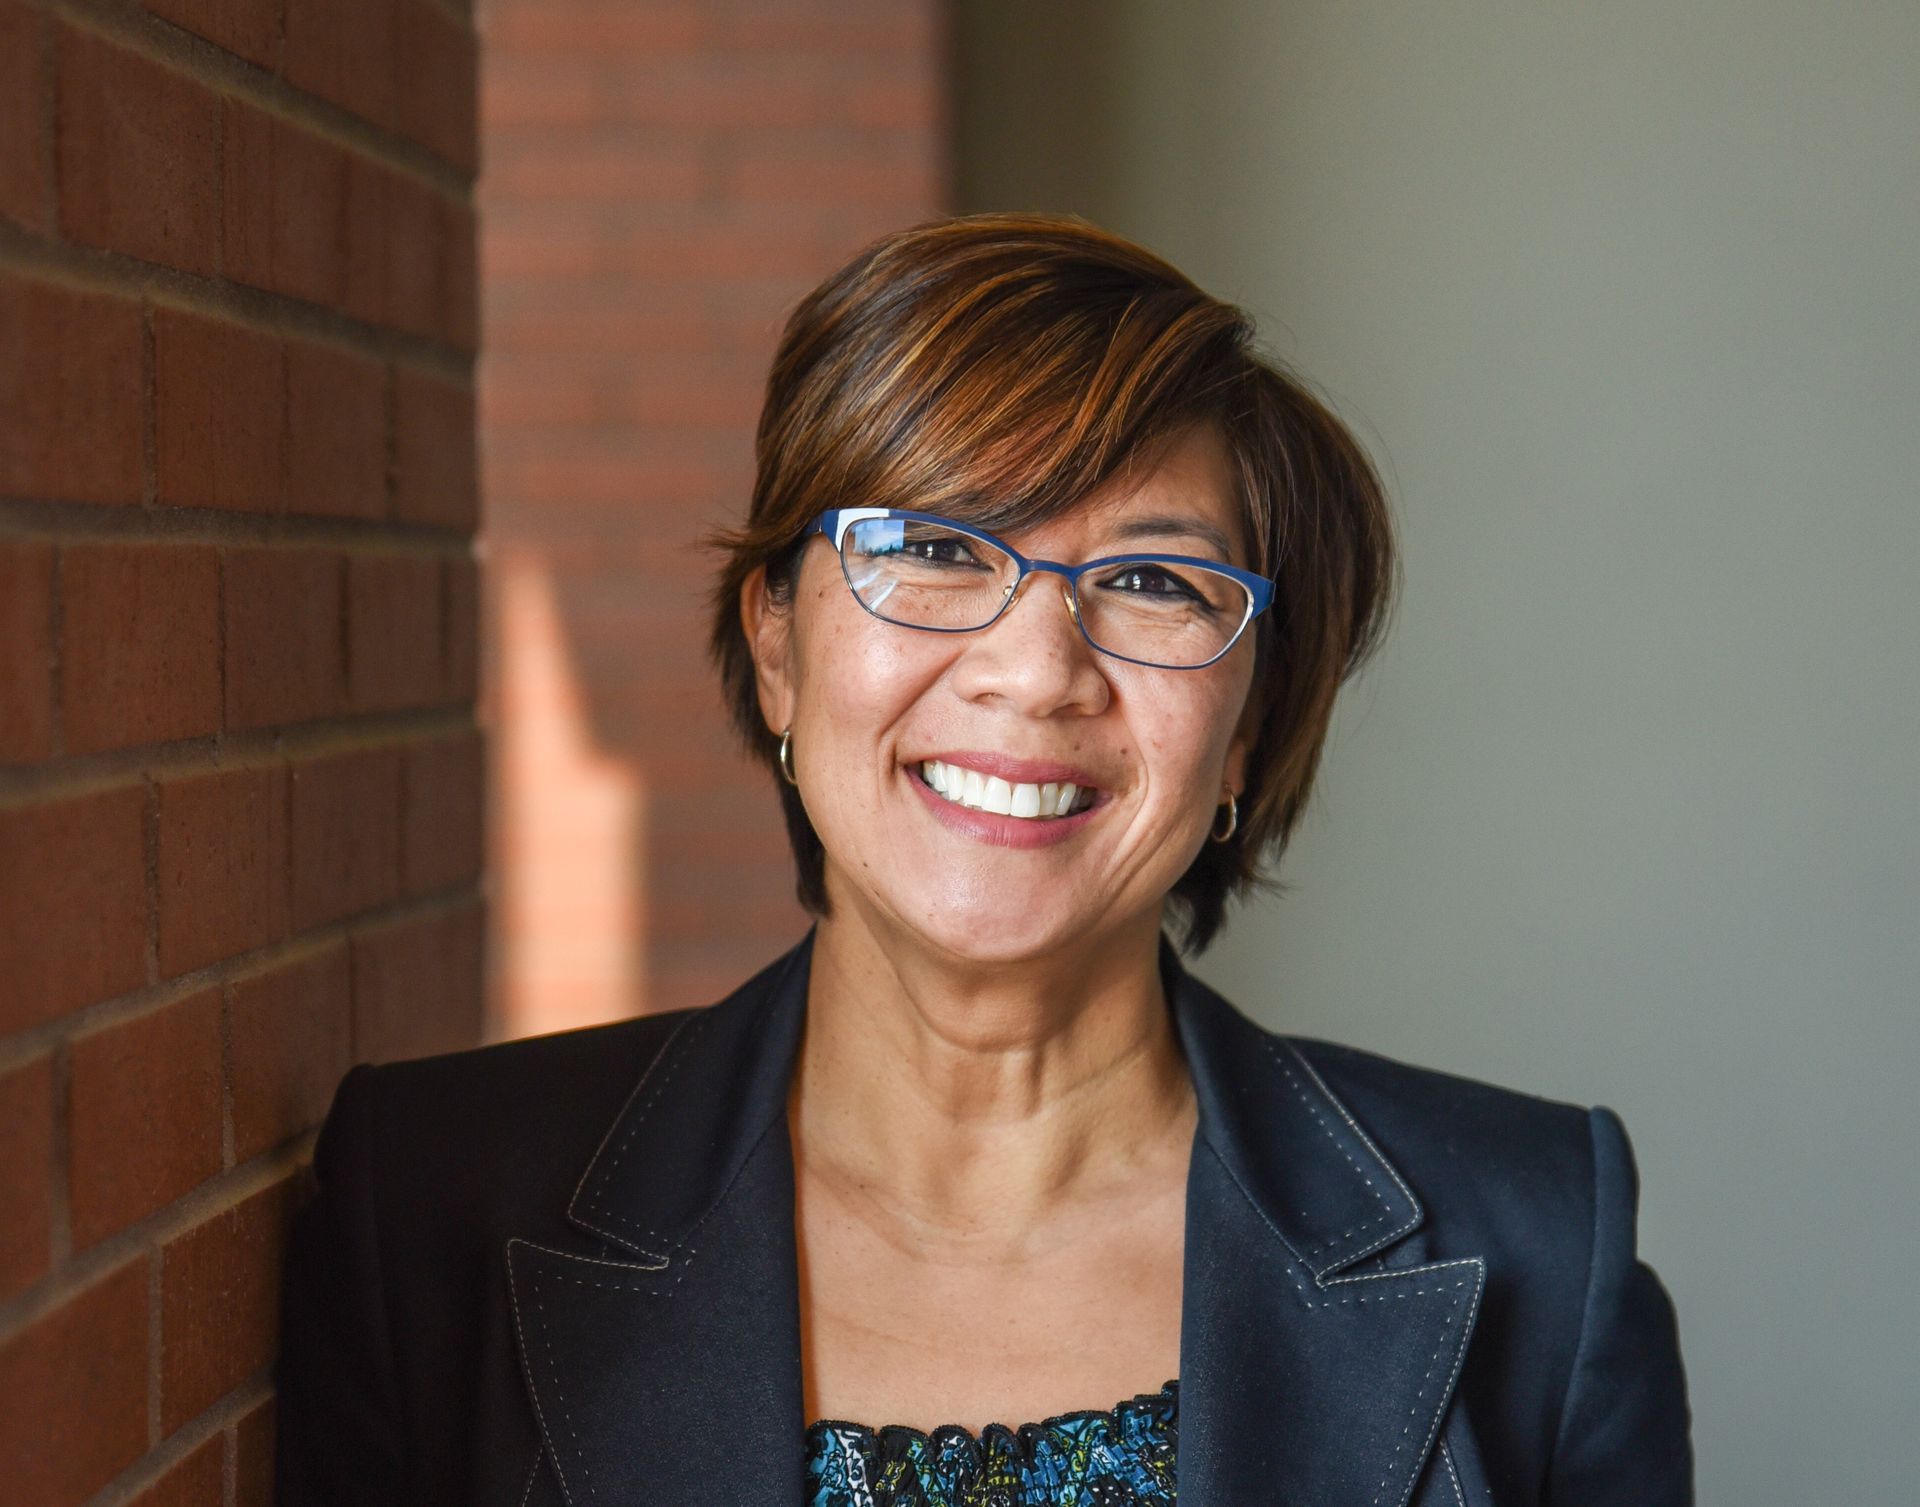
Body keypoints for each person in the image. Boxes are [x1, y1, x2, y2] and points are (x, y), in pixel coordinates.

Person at [274, 212, 1692, 1506]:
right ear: (776, 642)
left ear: (1251, 725)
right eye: (939, 548)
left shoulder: (1534, 1247)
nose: (1034, 672)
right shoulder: (437, 1207)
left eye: (1150, 579)